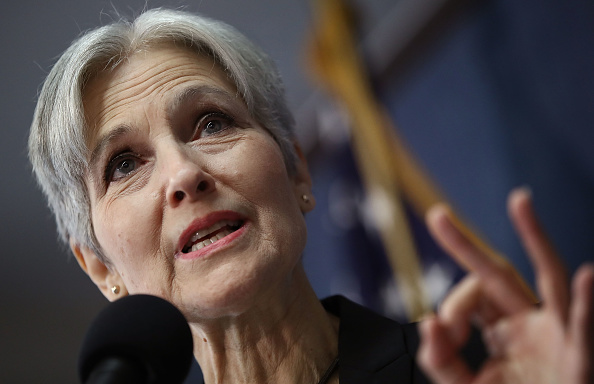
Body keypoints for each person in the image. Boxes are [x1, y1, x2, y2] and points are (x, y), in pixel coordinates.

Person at [28, 8, 593, 384]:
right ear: (101, 268)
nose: (183, 174)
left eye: (211, 123)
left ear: (298, 170)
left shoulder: (482, 370)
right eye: (123, 164)